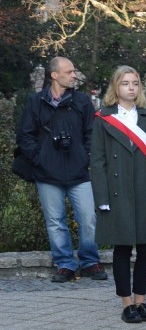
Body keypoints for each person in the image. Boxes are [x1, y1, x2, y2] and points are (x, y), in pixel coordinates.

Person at [16, 56, 106, 283]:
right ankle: (65, 264)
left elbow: (92, 133)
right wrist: (40, 157)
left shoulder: (83, 101)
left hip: (78, 172)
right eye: (69, 72)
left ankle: (89, 262)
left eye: (74, 71)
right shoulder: (35, 101)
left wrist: (84, 156)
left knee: (88, 218)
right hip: (47, 173)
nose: (74, 75)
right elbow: (25, 135)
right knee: (55, 221)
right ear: (54, 75)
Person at [90, 66, 146, 323]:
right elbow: (97, 162)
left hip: (145, 192)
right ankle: (126, 303)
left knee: (145, 249)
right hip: (117, 193)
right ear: (115, 87)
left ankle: (141, 301)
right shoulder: (103, 118)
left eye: (135, 83)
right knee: (122, 249)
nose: (131, 88)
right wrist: (102, 199)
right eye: (125, 83)